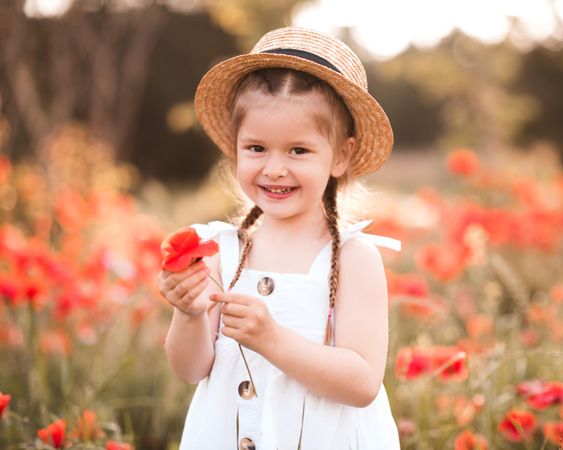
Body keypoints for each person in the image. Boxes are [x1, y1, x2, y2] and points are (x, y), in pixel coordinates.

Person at [158, 27, 401, 450]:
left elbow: (363, 382)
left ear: (340, 156)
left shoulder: (353, 257)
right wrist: (189, 313)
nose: (274, 168)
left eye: (298, 151)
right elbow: (190, 369)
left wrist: (271, 339)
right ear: (235, 149)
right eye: (256, 148)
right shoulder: (220, 251)